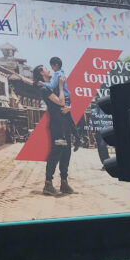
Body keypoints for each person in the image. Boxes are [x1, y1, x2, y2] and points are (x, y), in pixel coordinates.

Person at [31, 64, 73, 196]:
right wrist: (61, 86)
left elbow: (65, 101)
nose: (49, 69)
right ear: (41, 73)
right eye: (45, 68)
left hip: (64, 124)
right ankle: (48, 184)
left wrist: (69, 107)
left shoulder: (52, 86)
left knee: (66, 151)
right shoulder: (45, 89)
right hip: (57, 126)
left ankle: (64, 183)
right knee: (57, 151)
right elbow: (60, 102)